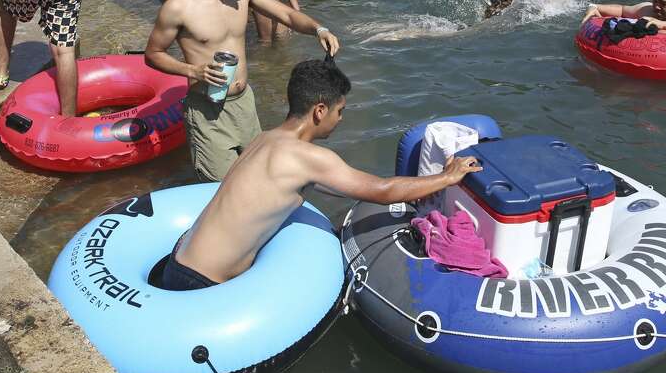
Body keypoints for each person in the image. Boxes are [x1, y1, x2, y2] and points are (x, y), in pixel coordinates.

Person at [164, 58, 482, 290]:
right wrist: (447, 176)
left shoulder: (264, 139)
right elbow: (381, 189)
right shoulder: (309, 157)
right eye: (339, 110)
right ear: (319, 111)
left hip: (178, 261)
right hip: (200, 284)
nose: (340, 119)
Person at [144, 0, 341, 182]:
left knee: (254, 175)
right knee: (219, 185)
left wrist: (319, 29)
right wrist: (193, 70)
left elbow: (286, 14)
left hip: (244, 103)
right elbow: (153, 54)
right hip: (207, 109)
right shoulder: (179, 7)